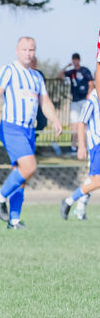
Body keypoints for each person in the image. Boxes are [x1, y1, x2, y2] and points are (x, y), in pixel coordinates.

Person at [0, 37, 63, 229]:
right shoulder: (8, 70)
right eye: (24, 49)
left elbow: (44, 102)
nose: (28, 53)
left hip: (29, 130)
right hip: (12, 127)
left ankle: (14, 220)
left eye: (31, 50)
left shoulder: (36, 77)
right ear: (16, 50)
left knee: (21, 175)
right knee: (29, 167)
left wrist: (55, 120)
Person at [61, 90, 100, 220]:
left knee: (93, 180)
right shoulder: (92, 101)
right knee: (96, 181)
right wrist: (82, 146)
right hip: (96, 146)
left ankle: (76, 206)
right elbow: (81, 123)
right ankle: (71, 201)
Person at [57, 53, 95, 153]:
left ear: (79, 60)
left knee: (84, 124)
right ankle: (73, 147)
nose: (75, 61)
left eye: (76, 59)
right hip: (75, 101)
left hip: (84, 100)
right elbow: (59, 76)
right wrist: (66, 66)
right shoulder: (71, 72)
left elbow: (91, 83)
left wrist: (88, 94)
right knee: (74, 124)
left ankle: (86, 147)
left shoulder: (84, 70)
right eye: (73, 59)